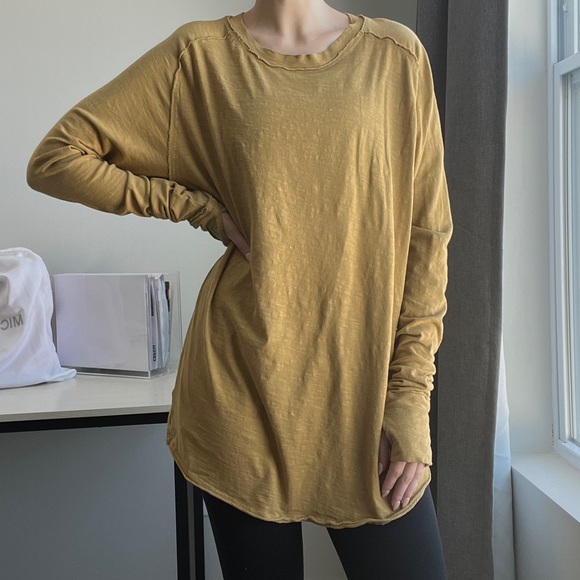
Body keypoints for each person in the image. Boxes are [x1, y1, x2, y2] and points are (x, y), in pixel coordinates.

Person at [27, 0, 452, 577]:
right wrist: (199, 208)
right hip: (241, 395)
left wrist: (410, 396)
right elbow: (56, 158)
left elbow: (426, 241)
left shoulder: (395, 55)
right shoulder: (201, 57)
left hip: (365, 394)